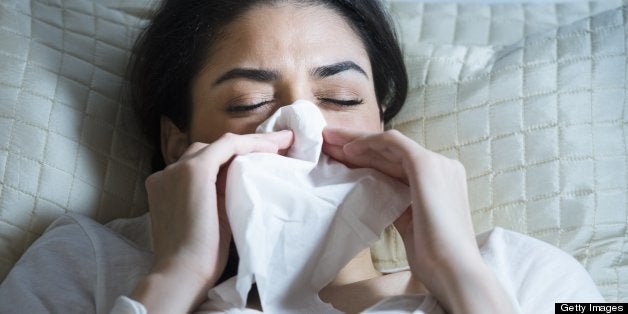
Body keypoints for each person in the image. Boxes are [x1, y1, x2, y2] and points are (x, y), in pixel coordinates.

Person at [0, 0, 603, 313]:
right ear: (180, 144)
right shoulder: (85, 262)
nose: (304, 127)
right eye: (249, 103)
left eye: (340, 97)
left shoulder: (529, 273)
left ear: (383, 126)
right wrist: (178, 276)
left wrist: (462, 274)